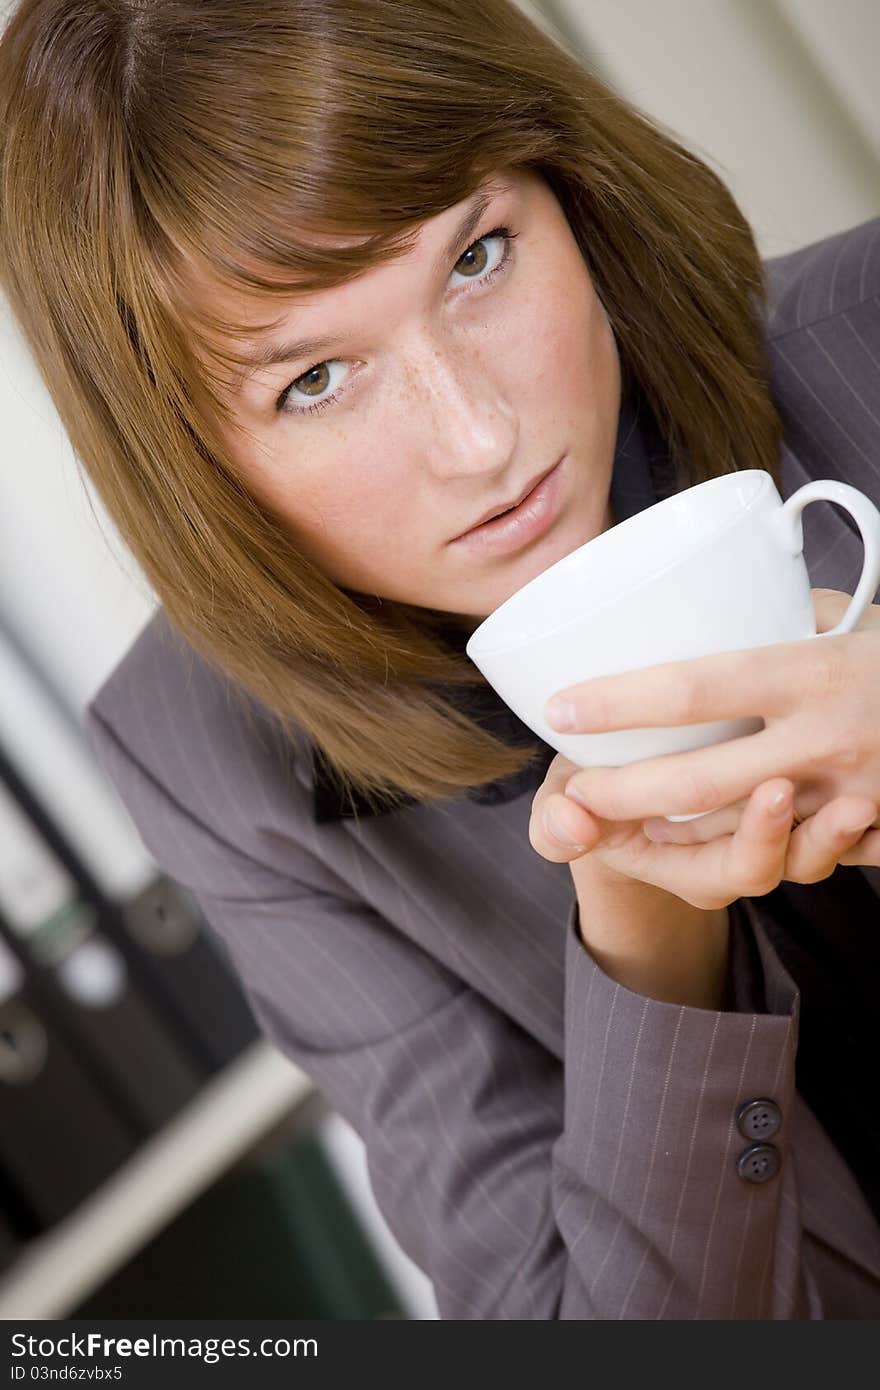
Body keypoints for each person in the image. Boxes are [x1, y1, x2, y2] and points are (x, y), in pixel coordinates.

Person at [1, 0, 879, 1319]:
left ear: (570, 192)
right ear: (189, 463)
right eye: (313, 380)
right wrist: (647, 952)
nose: (480, 442)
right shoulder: (213, 755)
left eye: (477, 257)